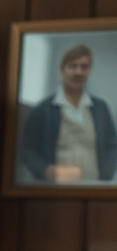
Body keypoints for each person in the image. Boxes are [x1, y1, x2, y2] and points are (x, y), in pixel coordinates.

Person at [19, 44, 117, 183]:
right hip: (57, 190)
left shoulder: (101, 108)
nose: (78, 72)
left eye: (84, 67)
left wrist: (106, 174)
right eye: (72, 66)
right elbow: (28, 150)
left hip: (95, 186)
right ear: (62, 70)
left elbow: (112, 145)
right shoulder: (43, 110)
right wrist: (47, 171)